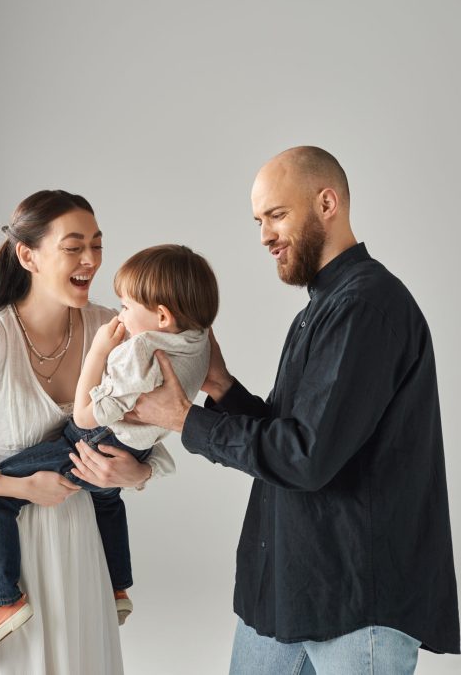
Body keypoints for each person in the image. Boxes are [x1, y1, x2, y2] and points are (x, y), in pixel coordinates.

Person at [128, 147, 460, 674]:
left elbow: (305, 457)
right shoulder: (325, 309)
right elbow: (295, 435)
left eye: (277, 215)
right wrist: (221, 387)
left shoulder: (366, 307)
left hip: (355, 606)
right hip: (287, 592)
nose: (264, 235)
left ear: (327, 203)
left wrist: (183, 419)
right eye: (259, 220)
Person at [0, 189, 175, 675]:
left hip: (77, 537)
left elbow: (155, 423)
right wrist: (17, 486)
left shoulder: (112, 328)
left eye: (97, 245)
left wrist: (135, 472)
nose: (90, 260)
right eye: (73, 246)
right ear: (28, 256)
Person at [0, 244, 218, 663]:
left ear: (161, 317)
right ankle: (117, 585)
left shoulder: (140, 352)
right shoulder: (198, 338)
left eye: (126, 306)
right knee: (106, 497)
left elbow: (84, 415)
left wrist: (99, 349)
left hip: (94, 437)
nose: (118, 316)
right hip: (134, 444)